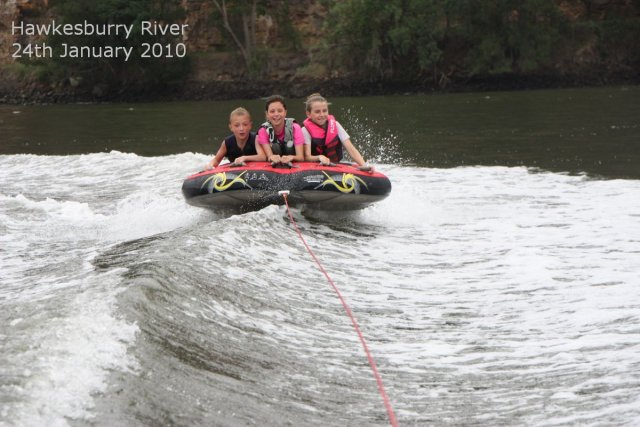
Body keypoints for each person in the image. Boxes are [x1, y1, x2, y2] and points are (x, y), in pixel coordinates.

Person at [302, 93, 373, 171]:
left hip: (335, 166)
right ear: (308, 114)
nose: (322, 114)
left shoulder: (335, 125)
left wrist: (364, 165)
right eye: (317, 112)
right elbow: (307, 157)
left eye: (325, 111)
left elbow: (351, 149)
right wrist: (319, 157)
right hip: (315, 168)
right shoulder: (305, 131)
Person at [257, 95, 305, 164]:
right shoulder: (263, 131)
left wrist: (291, 157)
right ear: (267, 114)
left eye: (280, 111)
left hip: (293, 164)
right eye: (272, 111)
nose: (276, 114)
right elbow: (270, 156)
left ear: (285, 112)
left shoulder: (295, 128)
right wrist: (272, 157)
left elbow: (300, 157)